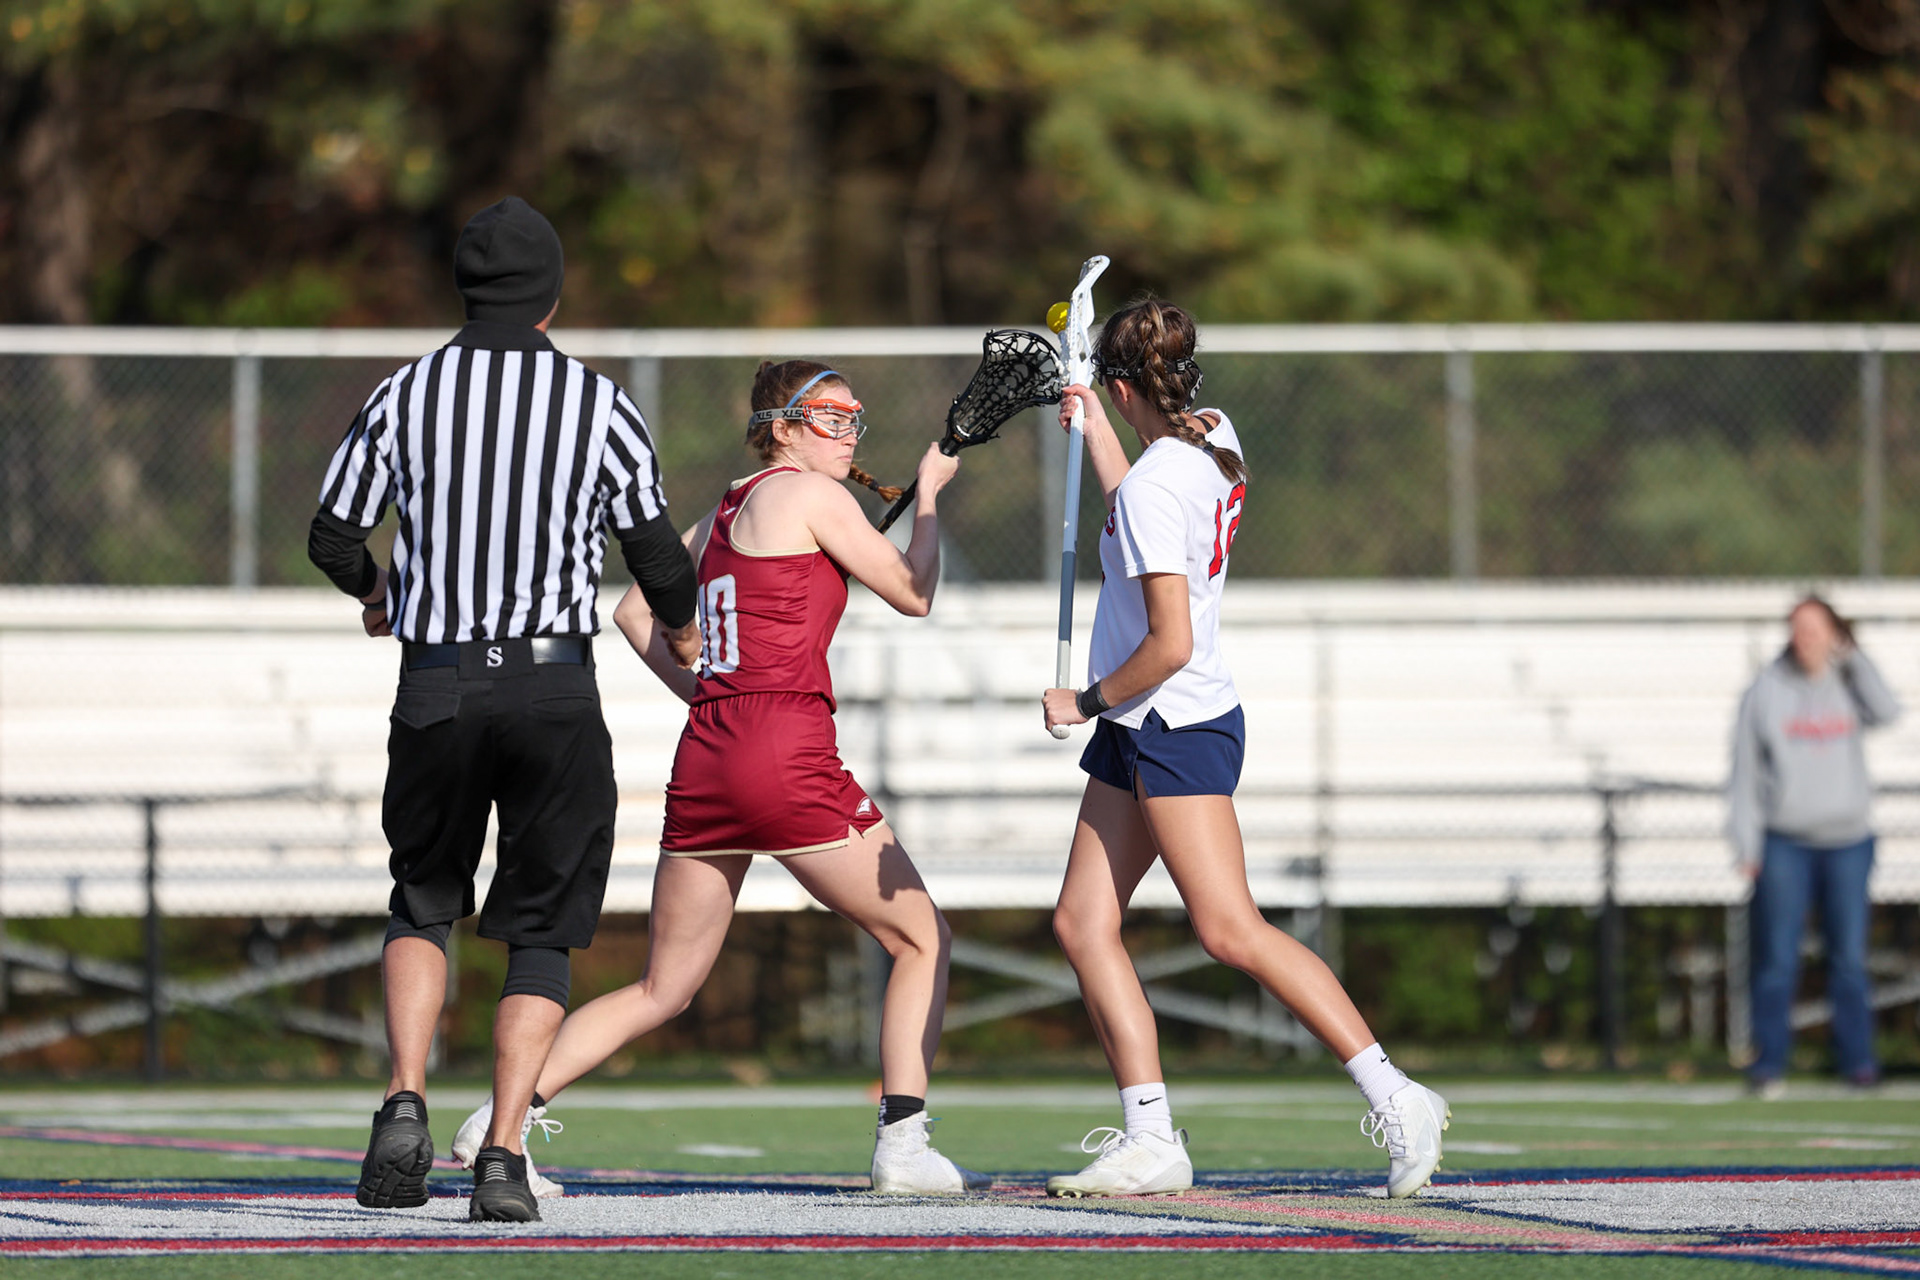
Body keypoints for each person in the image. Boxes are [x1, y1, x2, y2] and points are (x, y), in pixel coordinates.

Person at [452, 360, 988, 1194]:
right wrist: (927, 501)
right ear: (781, 424)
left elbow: (635, 612)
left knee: (662, 986)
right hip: (785, 747)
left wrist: (710, 694)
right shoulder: (814, 498)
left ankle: (500, 1125)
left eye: (855, 420)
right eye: (830, 418)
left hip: (709, 750)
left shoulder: (728, 507)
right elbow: (914, 593)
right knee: (921, 937)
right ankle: (904, 1145)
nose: (848, 433)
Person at [307, 196, 701, 1223]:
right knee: (540, 927)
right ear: (552, 295)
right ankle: (504, 1149)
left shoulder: (407, 392)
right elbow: (656, 551)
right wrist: (687, 629)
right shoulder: (595, 400)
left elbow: (333, 533)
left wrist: (375, 589)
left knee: (423, 896)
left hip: (438, 678)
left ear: (463, 290)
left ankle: (403, 1097)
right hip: (551, 682)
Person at [1041, 297, 1449, 1200]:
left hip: (1169, 717)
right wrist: (1096, 415)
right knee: (1081, 922)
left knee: (1230, 929)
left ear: (1122, 382)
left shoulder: (1158, 480)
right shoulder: (1211, 434)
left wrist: (1085, 698)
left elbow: (1168, 642)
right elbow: (1132, 513)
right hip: (1139, 726)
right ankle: (1151, 1136)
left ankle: (1398, 1095)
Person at [1728, 594, 1899, 1097]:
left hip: (1848, 841)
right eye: (1798, 628)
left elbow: (1888, 711)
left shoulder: (1849, 681)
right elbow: (1744, 774)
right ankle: (1769, 1063)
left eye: (1816, 628)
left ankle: (1857, 1062)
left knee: (1848, 957)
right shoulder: (1765, 691)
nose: (1806, 638)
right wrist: (1747, 843)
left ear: (1833, 632)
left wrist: (1853, 658)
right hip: (1785, 843)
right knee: (1778, 958)